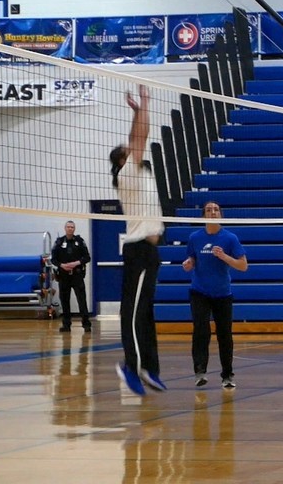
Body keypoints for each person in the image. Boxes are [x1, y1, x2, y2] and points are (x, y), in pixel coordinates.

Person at [110, 85, 167, 395]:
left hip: (150, 252)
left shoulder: (142, 174)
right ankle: (131, 367)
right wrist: (144, 104)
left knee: (145, 312)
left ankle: (149, 368)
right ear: (122, 161)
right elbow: (139, 139)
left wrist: (137, 112)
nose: (132, 151)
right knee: (132, 312)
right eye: (127, 152)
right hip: (138, 249)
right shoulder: (127, 174)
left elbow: (137, 139)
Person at [182, 201, 248, 389]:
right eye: (209, 210)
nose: (213, 212)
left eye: (216, 210)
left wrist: (225, 257)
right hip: (199, 292)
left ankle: (227, 375)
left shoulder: (229, 238)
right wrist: (188, 263)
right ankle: (200, 372)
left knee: (224, 335)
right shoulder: (195, 237)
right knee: (201, 331)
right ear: (203, 215)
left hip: (222, 293)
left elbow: (243, 266)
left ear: (221, 215)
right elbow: (192, 258)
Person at [50, 220, 92, 333]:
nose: (70, 229)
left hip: (77, 275)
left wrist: (76, 263)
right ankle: (66, 325)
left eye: (72, 227)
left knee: (82, 300)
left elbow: (87, 257)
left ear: (74, 229)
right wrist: (62, 265)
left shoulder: (79, 241)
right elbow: (53, 259)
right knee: (65, 301)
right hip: (63, 276)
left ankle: (86, 324)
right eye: (68, 227)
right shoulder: (59, 242)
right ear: (65, 228)